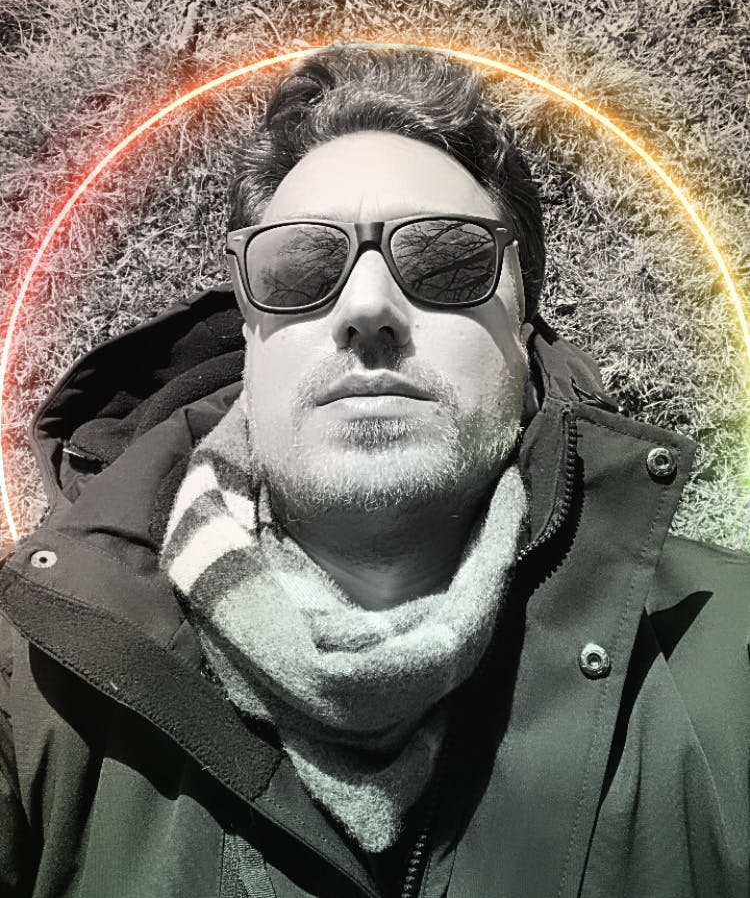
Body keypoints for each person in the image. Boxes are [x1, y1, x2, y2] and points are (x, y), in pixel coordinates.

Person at [0, 46, 747, 898]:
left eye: (445, 260)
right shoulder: (31, 678)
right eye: (301, 268)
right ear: (250, 336)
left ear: (523, 324)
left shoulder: (726, 657)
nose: (367, 307)